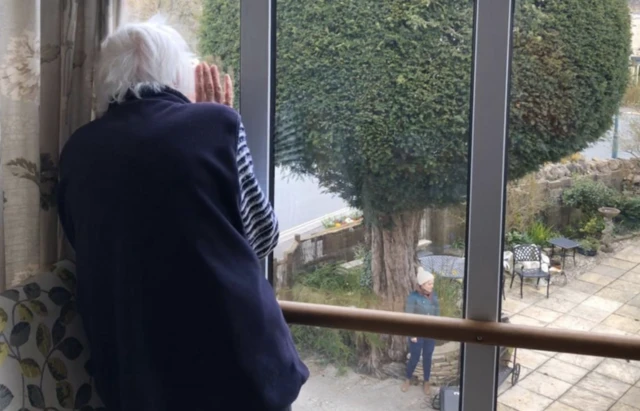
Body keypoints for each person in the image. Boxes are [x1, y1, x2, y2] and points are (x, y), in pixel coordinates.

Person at [57, 17, 308, 411]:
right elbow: (262, 236)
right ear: (176, 74)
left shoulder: (75, 151)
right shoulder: (216, 123)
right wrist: (219, 120)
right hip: (233, 368)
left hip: (135, 375)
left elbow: (85, 245)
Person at [401, 268, 440, 396]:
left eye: (432, 283)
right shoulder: (413, 297)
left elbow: (437, 314)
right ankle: (407, 378)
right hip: (417, 334)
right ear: (422, 284)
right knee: (415, 357)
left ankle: (426, 381)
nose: (432, 286)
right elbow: (408, 316)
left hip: (430, 333)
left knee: (428, 357)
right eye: (429, 283)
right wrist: (412, 334)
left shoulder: (433, 296)